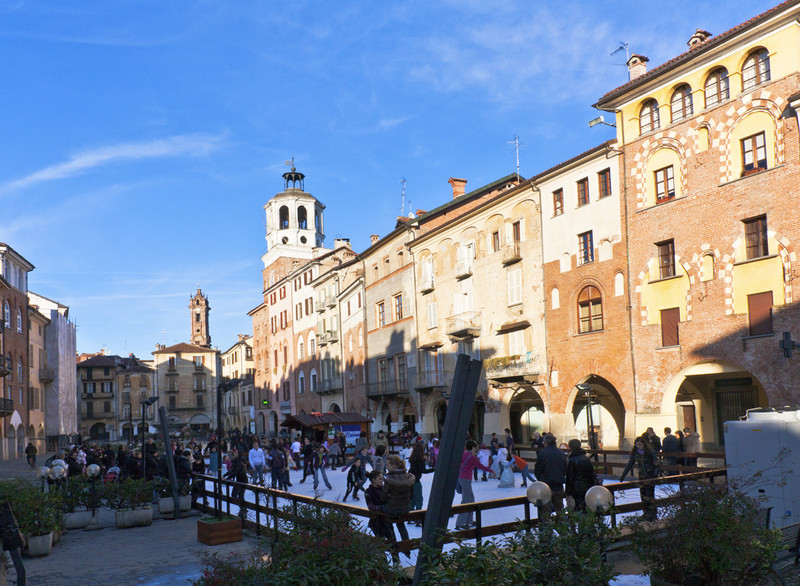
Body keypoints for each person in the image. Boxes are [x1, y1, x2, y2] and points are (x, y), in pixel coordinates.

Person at [455, 440, 494, 530]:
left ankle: (469, 520)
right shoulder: (471, 457)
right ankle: (460, 523)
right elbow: (480, 466)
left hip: (462, 478)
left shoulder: (464, 454)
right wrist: (491, 470)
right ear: (473, 447)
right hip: (465, 479)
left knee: (471, 498)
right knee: (466, 500)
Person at [620, 436, 660, 521]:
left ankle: (652, 513)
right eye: (637, 445)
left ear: (643, 444)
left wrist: (654, 475)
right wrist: (623, 474)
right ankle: (645, 513)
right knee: (643, 494)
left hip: (650, 475)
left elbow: (657, 464)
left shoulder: (650, 451)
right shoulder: (635, 452)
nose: (638, 446)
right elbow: (630, 463)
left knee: (650, 494)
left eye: (640, 444)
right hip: (641, 475)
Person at [382, 455, 415, 542]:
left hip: (392, 509)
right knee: (400, 524)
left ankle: (393, 544)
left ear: (395, 466)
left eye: (388, 465)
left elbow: (383, 495)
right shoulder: (408, 476)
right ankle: (406, 544)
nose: (387, 467)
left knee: (387, 522)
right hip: (405, 508)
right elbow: (412, 494)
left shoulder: (389, 478)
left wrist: (385, 502)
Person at [534, 434, 568, 515]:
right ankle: (562, 526)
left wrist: (541, 479)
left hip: (546, 485)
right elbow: (565, 468)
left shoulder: (542, 454)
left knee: (546, 510)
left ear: (546, 443)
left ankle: (547, 527)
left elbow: (538, 469)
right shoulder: (561, 453)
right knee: (559, 508)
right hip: (558, 484)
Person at [565, 439, 597, 512]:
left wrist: (568, 491)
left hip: (576, 488)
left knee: (577, 508)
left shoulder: (572, 460)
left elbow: (569, 477)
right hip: (587, 486)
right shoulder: (586, 458)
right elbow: (591, 473)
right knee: (586, 507)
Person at [408, 442, 433, 523]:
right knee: (419, 499)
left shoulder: (412, 458)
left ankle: (410, 516)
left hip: (410, 480)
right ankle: (418, 517)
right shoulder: (419, 459)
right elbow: (423, 470)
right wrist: (434, 469)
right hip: (416, 480)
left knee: (413, 498)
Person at [224, 450, 249, 518]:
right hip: (240, 479)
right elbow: (232, 470)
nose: (234, 453)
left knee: (237, 494)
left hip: (242, 479)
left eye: (236, 452)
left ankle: (243, 508)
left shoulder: (239, 461)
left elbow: (235, 471)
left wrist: (227, 477)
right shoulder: (236, 461)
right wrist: (225, 475)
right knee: (238, 495)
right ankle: (243, 508)